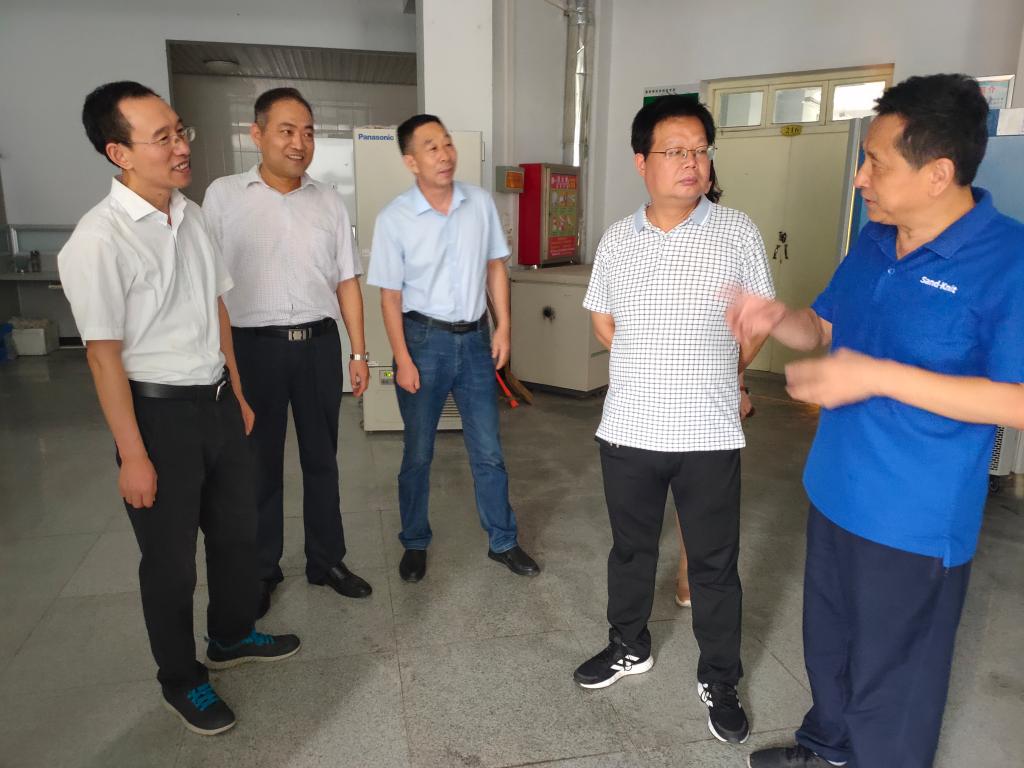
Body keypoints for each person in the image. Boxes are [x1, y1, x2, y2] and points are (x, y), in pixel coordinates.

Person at [733, 74, 1024, 768]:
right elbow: (823, 328)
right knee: (830, 645)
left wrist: (876, 377)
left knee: (896, 681)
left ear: (938, 174)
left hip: (915, 519)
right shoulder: (873, 239)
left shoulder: (1009, 261)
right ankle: (826, 747)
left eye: (875, 163)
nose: (860, 178)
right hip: (835, 489)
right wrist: (778, 318)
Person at [58, 81, 300, 736]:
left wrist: (238, 392)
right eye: (161, 137)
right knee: (169, 563)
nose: (180, 146)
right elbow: (103, 357)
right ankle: (180, 677)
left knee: (236, 533)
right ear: (119, 153)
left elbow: (216, 306)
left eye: (180, 130)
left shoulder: (189, 215)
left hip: (216, 401)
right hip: (157, 416)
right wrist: (133, 455)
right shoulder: (97, 240)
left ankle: (231, 634)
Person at [573, 95, 773, 746]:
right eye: (676, 150)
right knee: (631, 551)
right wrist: (651, 362)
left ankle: (720, 677)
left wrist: (718, 373)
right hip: (629, 428)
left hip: (708, 432)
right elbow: (604, 320)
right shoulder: (617, 239)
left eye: (701, 150)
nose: (692, 162)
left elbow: (756, 323)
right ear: (642, 162)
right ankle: (628, 645)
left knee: (714, 565)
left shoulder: (736, 230)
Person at [203, 87, 372, 618]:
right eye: (287, 130)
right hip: (253, 350)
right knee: (259, 465)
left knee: (323, 460)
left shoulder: (328, 200)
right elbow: (208, 288)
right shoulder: (224, 196)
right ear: (257, 134)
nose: (300, 143)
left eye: (308, 132)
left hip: (319, 346)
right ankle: (261, 569)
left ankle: (327, 561)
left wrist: (359, 353)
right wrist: (223, 364)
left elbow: (347, 280)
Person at [367, 113, 540, 583]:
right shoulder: (395, 218)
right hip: (423, 343)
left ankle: (503, 541)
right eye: (432, 147)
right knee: (418, 452)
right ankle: (414, 541)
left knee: (488, 449)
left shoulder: (478, 203)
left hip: (477, 340)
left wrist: (504, 329)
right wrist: (403, 360)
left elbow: (496, 267)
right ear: (411, 161)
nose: (445, 155)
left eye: (447, 144)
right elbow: (390, 296)